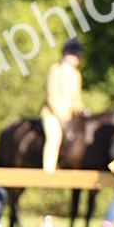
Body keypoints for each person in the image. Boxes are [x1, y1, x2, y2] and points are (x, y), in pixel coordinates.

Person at [41, 39, 85, 173]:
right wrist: (59, 114)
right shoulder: (55, 70)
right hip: (52, 113)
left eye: (76, 56)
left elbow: (76, 97)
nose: (74, 58)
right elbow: (51, 95)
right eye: (72, 55)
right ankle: (48, 171)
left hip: (70, 114)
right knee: (54, 137)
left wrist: (81, 109)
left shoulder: (76, 75)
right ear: (65, 54)